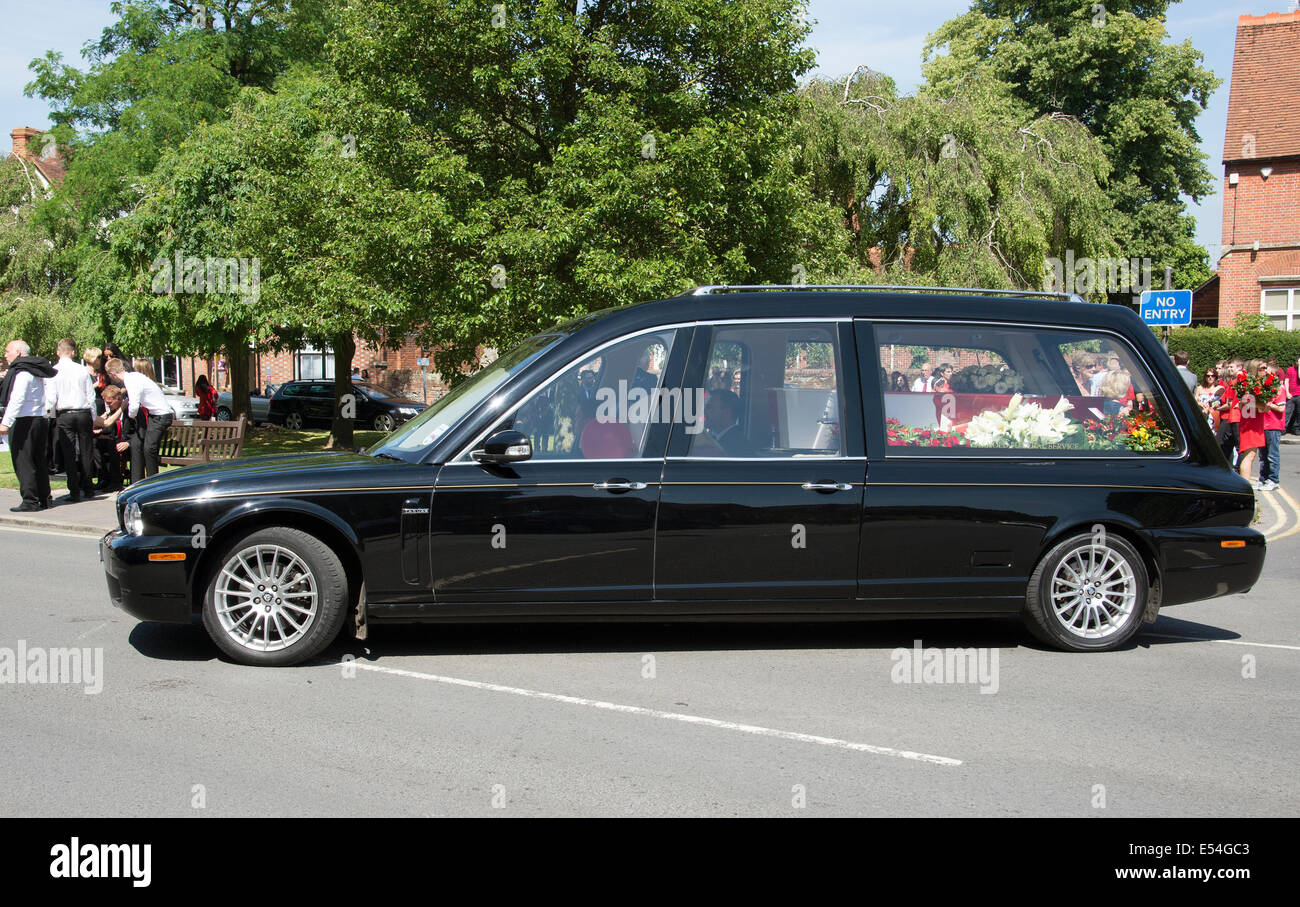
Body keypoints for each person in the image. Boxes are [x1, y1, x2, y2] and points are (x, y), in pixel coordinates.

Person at [0, 340, 57, 511]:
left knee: (23, 461)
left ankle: (30, 500)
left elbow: (17, 399)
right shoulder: (36, 371)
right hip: (38, 419)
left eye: (7, 350)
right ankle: (44, 497)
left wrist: (5, 423)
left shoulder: (23, 373)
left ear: (18, 352)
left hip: (25, 420)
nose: (5, 354)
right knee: (38, 460)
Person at [46, 338, 97, 502]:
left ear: (57, 352)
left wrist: (48, 416)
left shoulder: (53, 371)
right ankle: (88, 488)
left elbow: (51, 398)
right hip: (83, 413)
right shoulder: (82, 370)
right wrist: (94, 417)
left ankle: (74, 491)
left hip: (65, 414)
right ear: (73, 352)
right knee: (86, 452)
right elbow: (91, 396)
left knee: (69, 453)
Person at [106, 356, 173, 482]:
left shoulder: (131, 380)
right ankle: (146, 481)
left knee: (149, 449)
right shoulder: (134, 377)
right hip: (156, 415)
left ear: (112, 374)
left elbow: (134, 405)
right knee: (144, 447)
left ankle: (154, 482)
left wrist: (130, 417)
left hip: (161, 415)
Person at [92, 385, 130, 492]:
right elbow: (109, 426)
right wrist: (100, 431)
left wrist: (127, 442)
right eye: (106, 403)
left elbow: (125, 428)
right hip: (115, 438)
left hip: (127, 441)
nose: (108, 405)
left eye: (110, 403)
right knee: (96, 443)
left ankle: (116, 482)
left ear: (118, 398)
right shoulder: (112, 410)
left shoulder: (127, 409)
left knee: (111, 445)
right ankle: (104, 478)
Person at [1236, 360, 1267, 486]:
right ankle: (1246, 488)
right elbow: (1245, 402)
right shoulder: (1249, 384)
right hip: (1250, 424)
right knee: (1249, 456)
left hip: (1254, 422)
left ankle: (1245, 486)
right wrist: (1262, 406)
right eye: (1262, 368)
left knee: (1250, 456)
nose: (1265, 371)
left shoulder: (1253, 383)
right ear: (1255, 369)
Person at [1259, 363, 1287, 490]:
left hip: (1274, 425)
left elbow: (1281, 408)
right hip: (1264, 424)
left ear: (1273, 374)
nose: (1264, 373)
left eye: (1267, 371)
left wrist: (1269, 405)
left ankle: (1273, 480)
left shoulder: (1279, 388)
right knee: (1263, 455)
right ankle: (1263, 478)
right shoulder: (1265, 388)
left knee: (1272, 454)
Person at [702, 389, 754, 456]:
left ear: (726, 411)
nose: (704, 411)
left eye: (709, 407)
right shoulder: (721, 440)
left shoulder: (735, 446)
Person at [1286, 355, 1300, 436]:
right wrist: (1287, 392)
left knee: (1299, 413)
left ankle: (1296, 429)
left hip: (1299, 394)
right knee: (1288, 412)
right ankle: (1284, 428)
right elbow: (1286, 381)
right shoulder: (1290, 369)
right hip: (1291, 394)